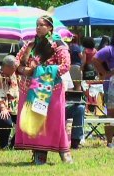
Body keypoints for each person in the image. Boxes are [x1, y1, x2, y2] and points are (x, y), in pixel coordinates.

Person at [15, 15, 73, 165]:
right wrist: (24, 69)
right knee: (36, 119)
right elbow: (17, 60)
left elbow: (65, 65)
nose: (38, 27)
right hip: (31, 88)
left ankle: (63, 151)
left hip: (51, 88)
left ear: (50, 27)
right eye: (37, 25)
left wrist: (42, 71)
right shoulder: (30, 44)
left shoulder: (57, 44)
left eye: (42, 25)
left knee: (54, 120)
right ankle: (39, 153)